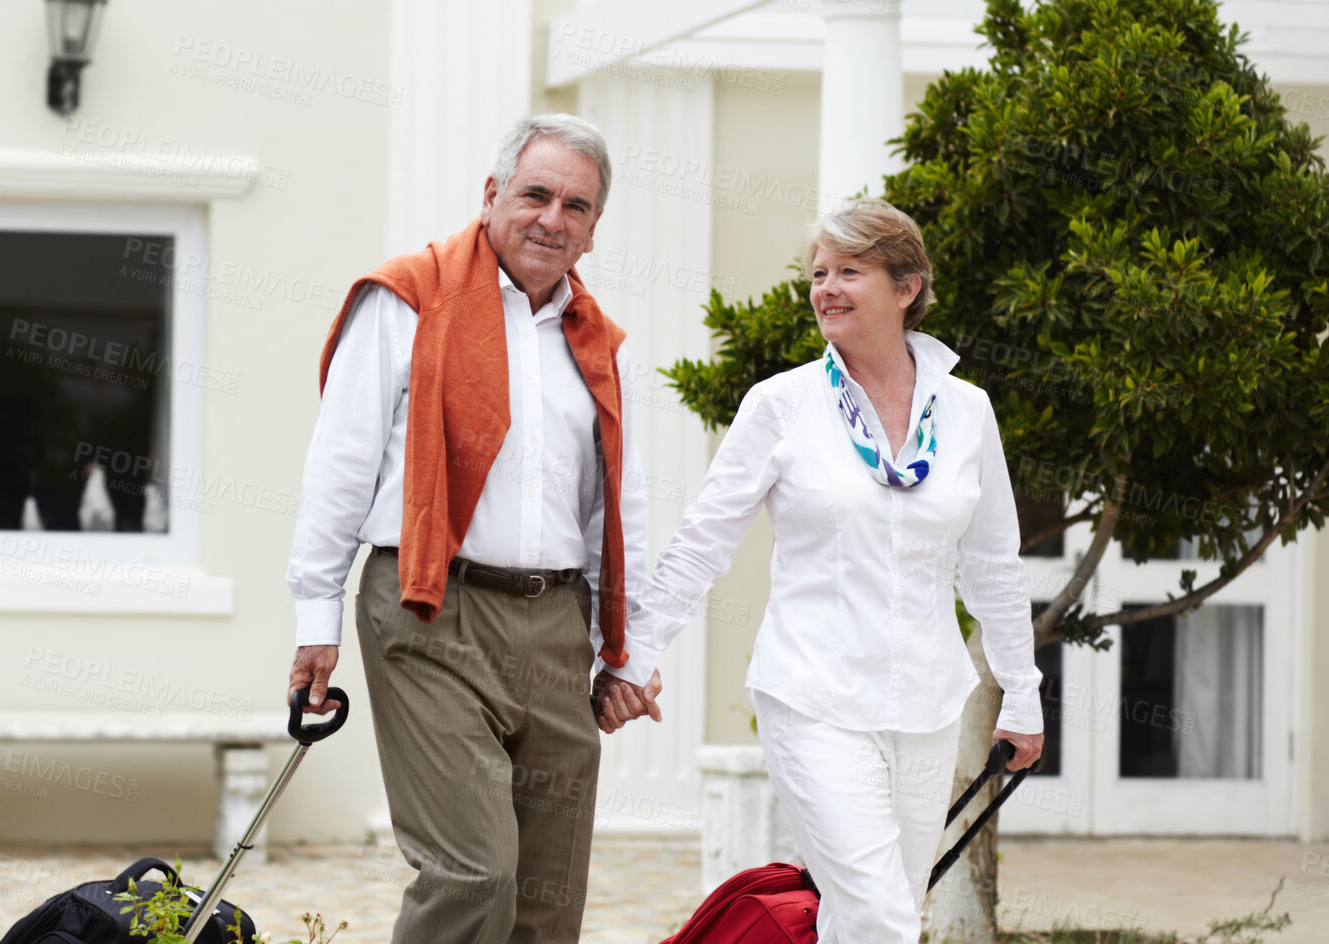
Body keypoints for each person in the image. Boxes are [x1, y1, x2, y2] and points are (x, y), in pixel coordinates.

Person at [602, 198, 1045, 944]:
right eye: (818, 273)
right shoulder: (782, 405)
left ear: (906, 288)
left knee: (877, 915)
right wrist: (630, 659)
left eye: (849, 271)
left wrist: (1023, 694)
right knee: (877, 917)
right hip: (813, 697)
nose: (826, 289)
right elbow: (703, 541)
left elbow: (993, 565)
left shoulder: (967, 411)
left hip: (928, 706)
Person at [284, 113, 656, 944]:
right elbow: (340, 467)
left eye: (577, 206)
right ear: (491, 196)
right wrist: (316, 618)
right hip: (428, 608)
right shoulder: (404, 300)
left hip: (556, 625)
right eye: (535, 194)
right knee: (473, 869)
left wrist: (626, 650)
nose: (552, 218)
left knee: (547, 897)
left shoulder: (602, 347)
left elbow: (615, 510)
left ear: (594, 231)